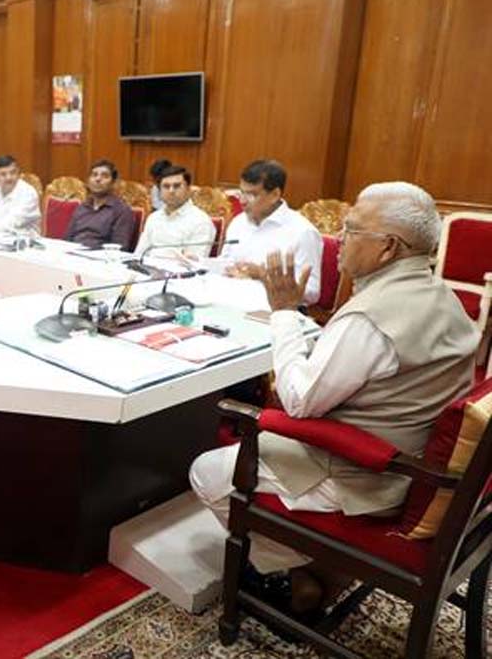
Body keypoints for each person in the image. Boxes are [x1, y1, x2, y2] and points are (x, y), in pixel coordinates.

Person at [190, 181, 479, 613]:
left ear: (387, 247)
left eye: (352, 229)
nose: (339, 238)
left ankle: (297, 570)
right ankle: (317, 562)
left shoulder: (371, 318)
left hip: (366, 474)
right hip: (409, 461)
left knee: (206, 471)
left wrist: (284, 312)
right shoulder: (443, 296)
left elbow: (297, 401)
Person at [221, 159, 323, 304]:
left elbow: (311, 292)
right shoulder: (238, 222)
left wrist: (264, 276)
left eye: (251, 195)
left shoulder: (303, 232)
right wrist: (200, 263)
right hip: (231, 299)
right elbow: (225, 263)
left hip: (277, 308)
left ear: (275, 195)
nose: (242, 201)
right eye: (241, 193)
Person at [134, 164, 216, 259]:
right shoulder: (153, 218)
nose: (171, 191)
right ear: (159, 191)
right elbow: (139, 254)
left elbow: (194, 263)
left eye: (177, 186)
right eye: (166, 186)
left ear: (188, 189)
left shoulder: (201, 221)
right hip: (146, 266)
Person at [64, 159, 137, 251]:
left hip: (100, 257)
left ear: (113, 183)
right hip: (73, 254)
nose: (98, 179)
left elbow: (119, 247)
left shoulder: (122, 211)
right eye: (94, 175)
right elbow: (67, 239)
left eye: (105, 176)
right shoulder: (82, 207)